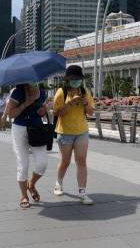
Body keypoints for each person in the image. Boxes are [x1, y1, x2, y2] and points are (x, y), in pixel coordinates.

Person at [53, 65, 95, 205]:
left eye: (78, 79)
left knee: (81, 161)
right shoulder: (61, 92)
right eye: (73, 79)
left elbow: (91, 112)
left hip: (81, 131)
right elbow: (57, 113)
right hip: (65, 132)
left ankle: (82, 193)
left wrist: (84, 103)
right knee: (65, 161)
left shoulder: (85, 92)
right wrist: (70, 103)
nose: (76, 82)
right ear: (68, 80)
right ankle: (58, 184)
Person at [6, 83, 48, 209]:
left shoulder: (41, 92)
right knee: (23, 165)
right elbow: (10, 114)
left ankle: (32, 184)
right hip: (20, 129)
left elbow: (43, 109)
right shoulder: (18, 92)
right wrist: (25, 104)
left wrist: (43, 111)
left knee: (42, 163)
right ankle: (24, 195)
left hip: (36, 129)